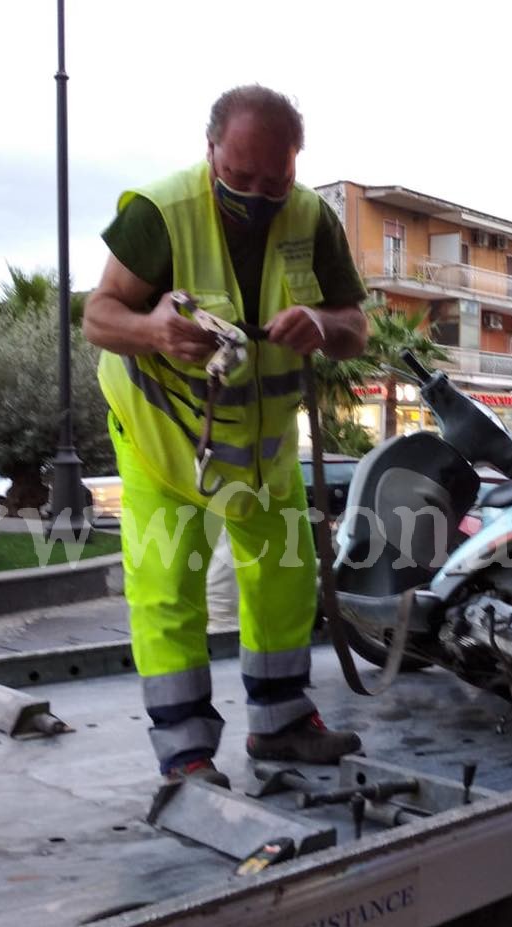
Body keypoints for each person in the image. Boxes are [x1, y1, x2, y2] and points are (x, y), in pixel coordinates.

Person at [83, 85, 369, 786]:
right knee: (167, 589)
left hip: (261, 444)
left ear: (295, 164)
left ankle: (280, 725)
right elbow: (98, 316)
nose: (258, 194)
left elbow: (354, 329)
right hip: (160, 437)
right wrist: (152, 331)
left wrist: (323, 325)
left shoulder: (312, 220)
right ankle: (185, 753)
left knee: (284, 578)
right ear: (210, 150)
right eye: (239, 177)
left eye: (275, 179)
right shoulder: (161, 214)